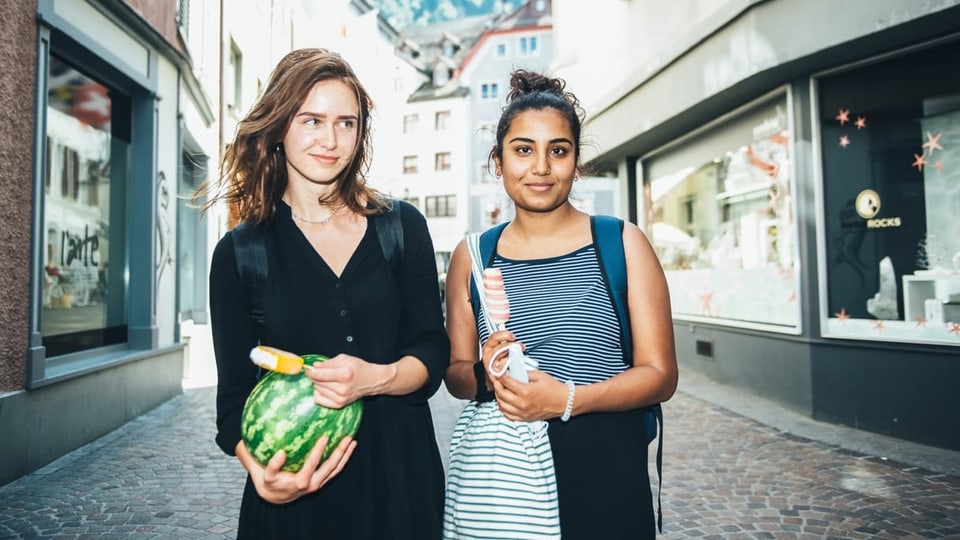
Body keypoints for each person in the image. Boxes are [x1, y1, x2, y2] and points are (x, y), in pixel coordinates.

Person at [197, 48, 449, 540]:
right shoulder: (240, 253)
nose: (330, 140)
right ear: (279, 126)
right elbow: (232, 406)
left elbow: (432, 352)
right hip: (296, 499)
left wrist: (374, 378)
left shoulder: (401, 228)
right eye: (312, 120)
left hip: (399, 484)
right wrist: (264, 477)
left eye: (346, 123)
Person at [443, 69, 679, 539]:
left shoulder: (621, 243)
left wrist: (567, 399)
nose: (541, 167)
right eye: (523, 149)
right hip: (510, 483)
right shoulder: (471, 256)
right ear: (497, 161)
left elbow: (660, 376)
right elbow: (455, 374)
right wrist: (485, 373)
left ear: (576, 160)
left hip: (608, 476)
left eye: (558, 150)